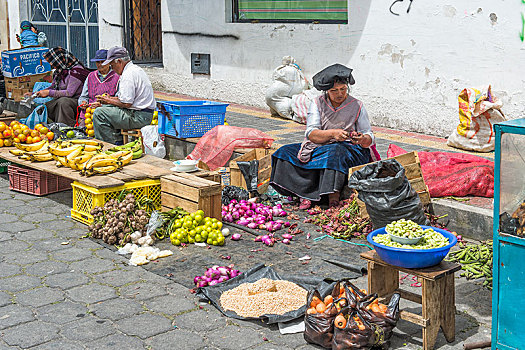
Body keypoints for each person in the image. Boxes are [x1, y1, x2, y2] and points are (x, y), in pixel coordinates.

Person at [270, 64, 379, 209]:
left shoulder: (357, 105)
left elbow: (369, 135)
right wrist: (333, 133)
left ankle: (332, 196)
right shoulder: (317, 103)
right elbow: (311, 133)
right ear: (326, 91)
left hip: (349, 150)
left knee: (335, 152)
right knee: (284, 152)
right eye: (334, 91)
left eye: (343, 89)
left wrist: (362, 138)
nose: (340, 94)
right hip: (320, 145)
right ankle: (303, 193)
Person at [92, 46, 156, 144]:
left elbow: (126, 103)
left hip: (139, 116)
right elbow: (127, 99)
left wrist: (108, 100)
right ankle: (117, 139)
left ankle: (107, 146)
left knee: (99, 114)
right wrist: (109, 99)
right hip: (142, 114)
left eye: (112, 65)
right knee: (104, 107)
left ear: (119, 62)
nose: (112, 69)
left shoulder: (128, 74)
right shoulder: (135, 69)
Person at [35, 47, 90, 125]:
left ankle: (66, 126)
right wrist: (36, 94)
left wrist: (48, 92)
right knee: (46, 106)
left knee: (63, 102)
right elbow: (53, 86)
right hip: (64, 98)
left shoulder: (77, 71)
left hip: (77, 101)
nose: (53, 66)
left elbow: (69, 93)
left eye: (53, 63)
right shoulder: (60, 71)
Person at [77, 49, 119, 127]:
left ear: (108, 62)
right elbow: (83, 96)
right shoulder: (90, 76)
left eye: (102, 62)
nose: (100, 64)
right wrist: (83, 103)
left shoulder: (117, 76)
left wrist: (102, 106)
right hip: (89, 114)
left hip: (107, 113)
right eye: (98, 62)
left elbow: (118, 99)